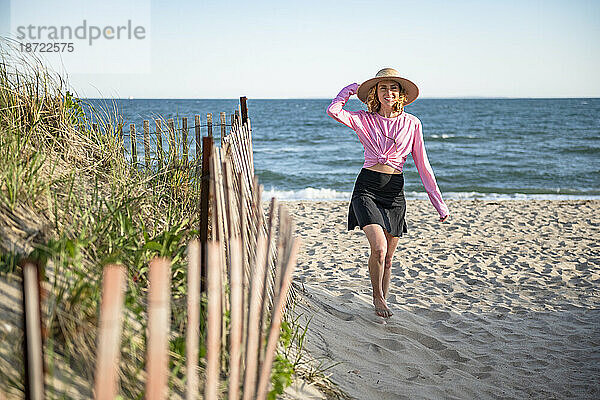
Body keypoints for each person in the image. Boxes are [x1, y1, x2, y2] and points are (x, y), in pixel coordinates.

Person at [326, 68, 450, 318]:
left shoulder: (412, 123)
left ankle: (382, 299)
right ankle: (377, 298)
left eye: (393, 88)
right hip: (367, 188)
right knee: (379, 249)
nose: (388, 92)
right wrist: (350, 89)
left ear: (401, 94)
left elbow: (423, 165)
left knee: (389, 259)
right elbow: (334, 110)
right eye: (383, 88)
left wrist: (439, 204)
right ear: (376, 92)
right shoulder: (363, 119)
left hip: (394, 192)